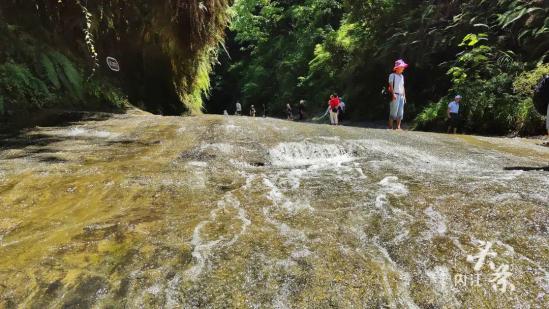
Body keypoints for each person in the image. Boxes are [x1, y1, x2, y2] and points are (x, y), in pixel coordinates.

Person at [388, 59, 408, 130]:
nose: (403, 68)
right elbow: (390, 85)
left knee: (400, 111)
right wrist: (393, 94)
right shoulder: (392, 75)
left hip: (401, 95)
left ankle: (398, 127)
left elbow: (403, 86)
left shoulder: (402, 76)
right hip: (395, 95)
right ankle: (390, 126)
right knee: (393, 111)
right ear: (398, 68)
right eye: (402, 67)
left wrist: (404, 96)